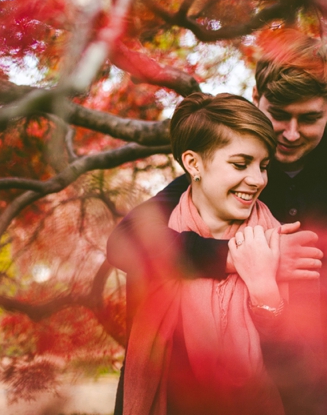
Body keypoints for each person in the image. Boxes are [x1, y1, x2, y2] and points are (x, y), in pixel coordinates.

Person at [108, 29, 327, 415]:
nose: (291, 132)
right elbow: (125, 243)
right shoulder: (227, 182)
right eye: (278, 116)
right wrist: (232, 258)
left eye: (309, 118)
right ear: (256, 99)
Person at [120, 92, 289, 415]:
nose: (257, 180)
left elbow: (300, 362)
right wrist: (228, 258)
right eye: (240, 164)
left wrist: (264, 287)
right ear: (193, 163)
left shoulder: (278, 238)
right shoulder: (154, 246)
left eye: (264, 166)